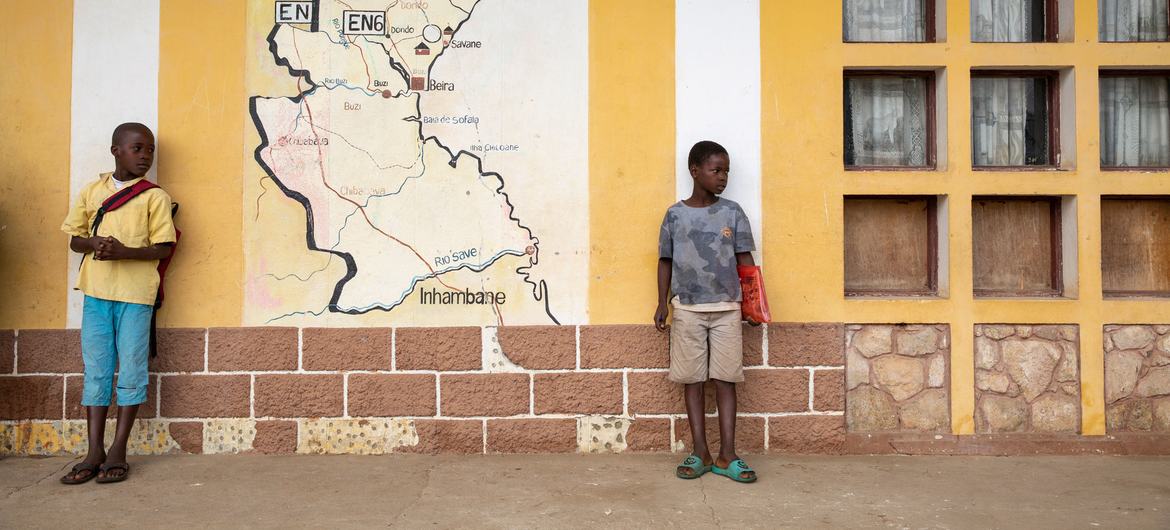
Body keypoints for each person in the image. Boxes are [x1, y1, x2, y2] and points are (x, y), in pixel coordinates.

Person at [59, 123, 176, 484]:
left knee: (132, 371)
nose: (145, 156)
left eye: (150, 150)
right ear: (116, 151)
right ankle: (94, 450)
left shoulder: (154, 197)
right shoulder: (93, 191)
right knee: (96, 369)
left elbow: (164, 247)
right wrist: (93, 245)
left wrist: (125, 252)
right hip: (96, 294)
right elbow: (75, 240)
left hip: (135, 297)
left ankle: (119, 448)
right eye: (138, 149)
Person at [655, 140, 758, 483]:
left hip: (728, 308)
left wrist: (753, 304)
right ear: (695, 171)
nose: (723, 177)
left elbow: (745, 261)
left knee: (727, 380)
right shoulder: (675, 214)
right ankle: (700, 451)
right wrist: (661, 303)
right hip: (687, 309)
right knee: (693, 380)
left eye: (726, 171)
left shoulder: (733, 212)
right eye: (716, 170)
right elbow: (665, 261)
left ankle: (728, 455)